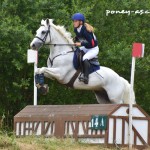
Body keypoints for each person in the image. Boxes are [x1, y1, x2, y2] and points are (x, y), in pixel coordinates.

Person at [72, 13, 99, 84]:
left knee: (85, 58)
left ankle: (86, 77)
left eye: (76, 21)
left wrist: (80, 44)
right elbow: (80, 36)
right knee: (75, 51)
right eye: (74, 21)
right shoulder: (76, 29)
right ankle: (79, 69)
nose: (74, 23)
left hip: (93, 49)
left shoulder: (86, 31)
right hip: (86, 47)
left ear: (81, 22)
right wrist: (75, 38)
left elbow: (92, 44)